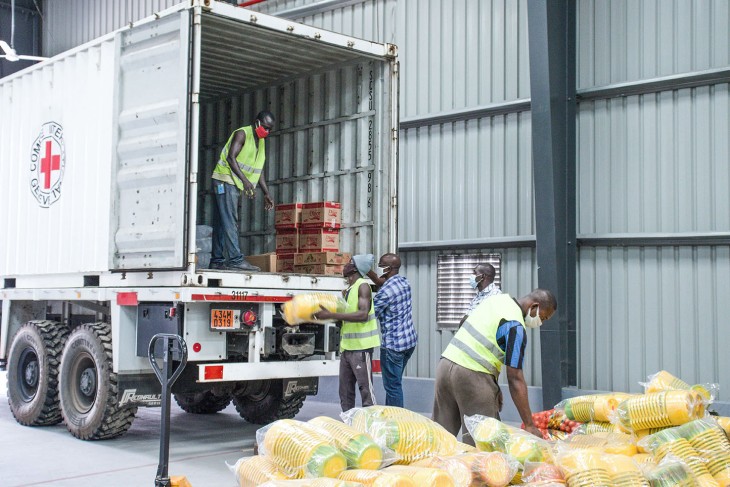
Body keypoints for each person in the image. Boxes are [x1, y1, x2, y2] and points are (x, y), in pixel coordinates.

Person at [432, 289, 557, 445]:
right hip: (472, 376)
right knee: (482, 446)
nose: (541, 322)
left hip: (445, 365)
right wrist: (529, 425)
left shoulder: (496, 300)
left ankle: (428, 468)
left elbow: (470, 327)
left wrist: (493, 386)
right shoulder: (515, 326)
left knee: (440, 438)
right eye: (543, 317)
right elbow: (515, 378)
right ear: (534, 306)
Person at [210, 111, 276, 271]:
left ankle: (217, 260)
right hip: (224, 179)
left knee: (221, 223)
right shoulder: (242, 134)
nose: (266, 132)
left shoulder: (260, 142)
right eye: (265, 128)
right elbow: (230, 157)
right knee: (231, 220)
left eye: (269, 130)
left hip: (232, 182)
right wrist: (245, 181)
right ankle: (235, 260)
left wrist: (266, 193)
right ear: (257, 122)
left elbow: (258, 169)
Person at [316, 254, 381, 411]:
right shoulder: (349, 290)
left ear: (356, 268)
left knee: (366, 391)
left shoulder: (363, 286)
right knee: (345, 392)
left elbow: (362, 315)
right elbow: (345, 318)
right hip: (347, 348)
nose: (345, 265)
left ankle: (371, 427)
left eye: (349, 263)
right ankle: (348, 425)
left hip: (361, 348)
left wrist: (331, 315)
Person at [366, 253, 418, 407]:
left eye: (381, 265)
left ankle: (396, 420)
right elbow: (382, 281)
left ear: (388, 268)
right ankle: (392, 414)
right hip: (409, 342)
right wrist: (369, 272)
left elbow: (368, 313)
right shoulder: (403, 282)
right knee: (396, 382)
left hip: (393, 346)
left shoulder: (385, 293)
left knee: (393, 387)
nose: (379, 267)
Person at [459, 263, 502, 327]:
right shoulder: (478, 296)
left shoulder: (496, 296)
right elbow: (466, 319)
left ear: (483, 276)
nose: (472, 276)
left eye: (475, 273)